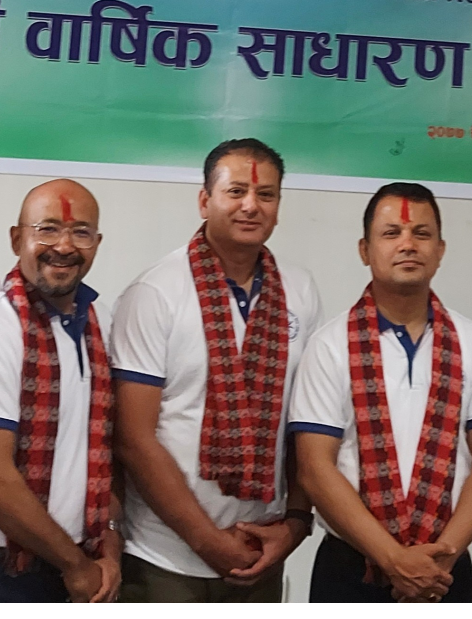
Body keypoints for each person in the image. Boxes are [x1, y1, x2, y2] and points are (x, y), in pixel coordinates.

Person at [110, 139, 322, 601]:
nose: (251, 206)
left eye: (266, 194)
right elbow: (133, 439)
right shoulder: (156, 293)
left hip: (261, 549)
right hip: (166, 557)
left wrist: (295, 524)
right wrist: (209, 543)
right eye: (236, 191)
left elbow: (303, 426)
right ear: (205, 201)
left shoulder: (300, 291)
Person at [288, 182, 472, 603]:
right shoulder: (330, 345)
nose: (408, 244)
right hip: (350, 568)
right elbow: (315, 468)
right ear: (364, 250)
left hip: (446, 566)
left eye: (421, 234)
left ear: (440, 250)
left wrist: (440, 560)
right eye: (391, 233)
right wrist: (394, 560)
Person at [0, 179, 121, 603]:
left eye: (81, 232)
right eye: (47, 229)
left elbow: (102, 450)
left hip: (77, 560)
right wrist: (76, 567)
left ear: (97, 243)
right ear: (17, 239)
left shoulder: (100, 324)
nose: (64, 246)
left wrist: (108, 539)